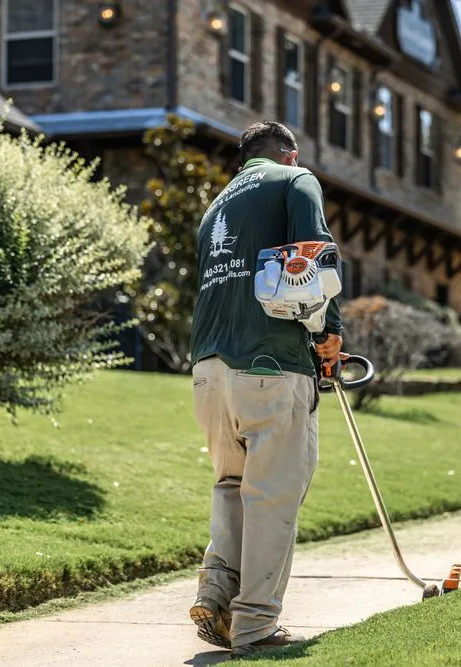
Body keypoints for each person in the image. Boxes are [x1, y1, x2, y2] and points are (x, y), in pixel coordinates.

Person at [187, 120, 343, 658]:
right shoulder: (296, 182)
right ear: (290, 154)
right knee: (272, 495)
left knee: (232, 484)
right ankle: (254, 625)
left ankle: (215, 592)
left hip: (208, 372)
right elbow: (313, 257)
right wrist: (330, 332)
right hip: (271, 364)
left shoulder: (215, 209)